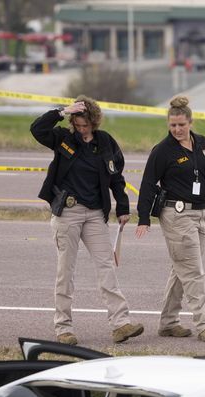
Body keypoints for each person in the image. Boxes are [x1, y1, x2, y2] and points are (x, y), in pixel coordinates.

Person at [30, 96, 144, 345]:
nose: (82, 130)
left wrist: (122, 207)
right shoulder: (62, 139)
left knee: (106, 267)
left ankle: (120, 324)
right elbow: (37, 129)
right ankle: (63, 328)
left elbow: (116, 177)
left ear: (94, 122)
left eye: (86, 126)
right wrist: (61, 112)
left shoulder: (106, 143)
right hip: (67, 213)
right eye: (78, 125)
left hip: (95, 215)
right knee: (65, 272)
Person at [135, 96, 205, 343]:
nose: (177, 130)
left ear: (190, 122)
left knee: (182, 269)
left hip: (202, 213)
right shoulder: (162, 151)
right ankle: (204, 324)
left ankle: (168, 323)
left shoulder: (201, 142)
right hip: (176, 215)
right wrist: (144, 217)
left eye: (181, 125)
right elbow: (148, 184)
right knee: (193, 271)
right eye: (172, 125)